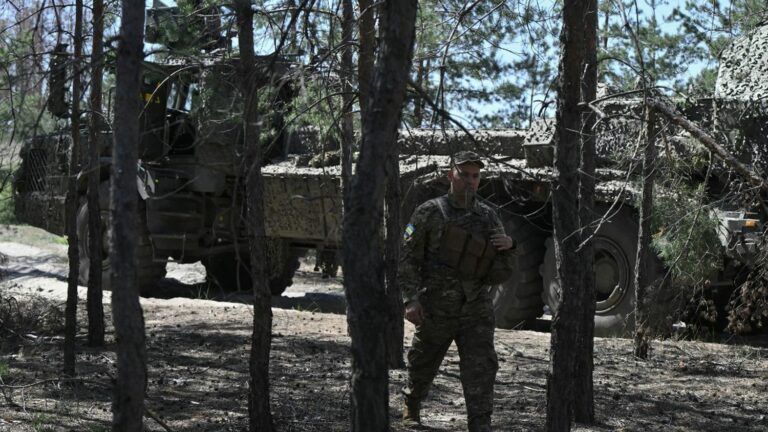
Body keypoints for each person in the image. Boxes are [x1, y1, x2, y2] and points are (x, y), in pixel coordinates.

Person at [399, 151, 516, 432]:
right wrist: (410, 300)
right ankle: (411, 407)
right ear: (451, 175)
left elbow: (502, 272)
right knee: (422, 361)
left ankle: (480, 422)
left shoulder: (488, 216)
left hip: (475, 309)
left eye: (475, 176)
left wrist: (510, 247)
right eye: (464, 174)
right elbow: (407, 259)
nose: (470, 181)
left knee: (481, 369)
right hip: (436, 308)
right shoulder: (429, 212)